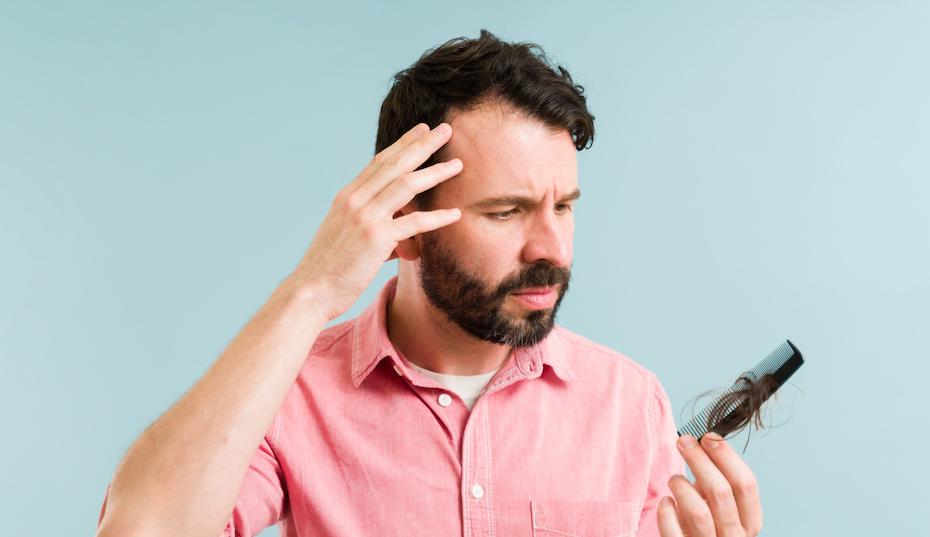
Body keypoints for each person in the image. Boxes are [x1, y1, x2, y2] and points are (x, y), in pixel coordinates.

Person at [94, 29, 763, 537]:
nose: (551, 249)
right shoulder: (292, 395)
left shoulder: (629, 401)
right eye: (506, 211)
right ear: (404, 221)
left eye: (564, 206)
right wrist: (312, 289)